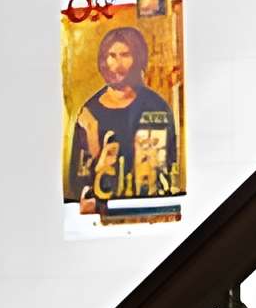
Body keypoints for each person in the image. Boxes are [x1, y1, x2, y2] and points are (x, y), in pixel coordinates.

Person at [68, 23, 180, 212]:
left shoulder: (156, 108)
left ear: (138, 59)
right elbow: (78, 182)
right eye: (111, 56)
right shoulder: (90, 111)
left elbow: (160, 174)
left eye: (125, 55)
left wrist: (96, 146)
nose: (116, 65)